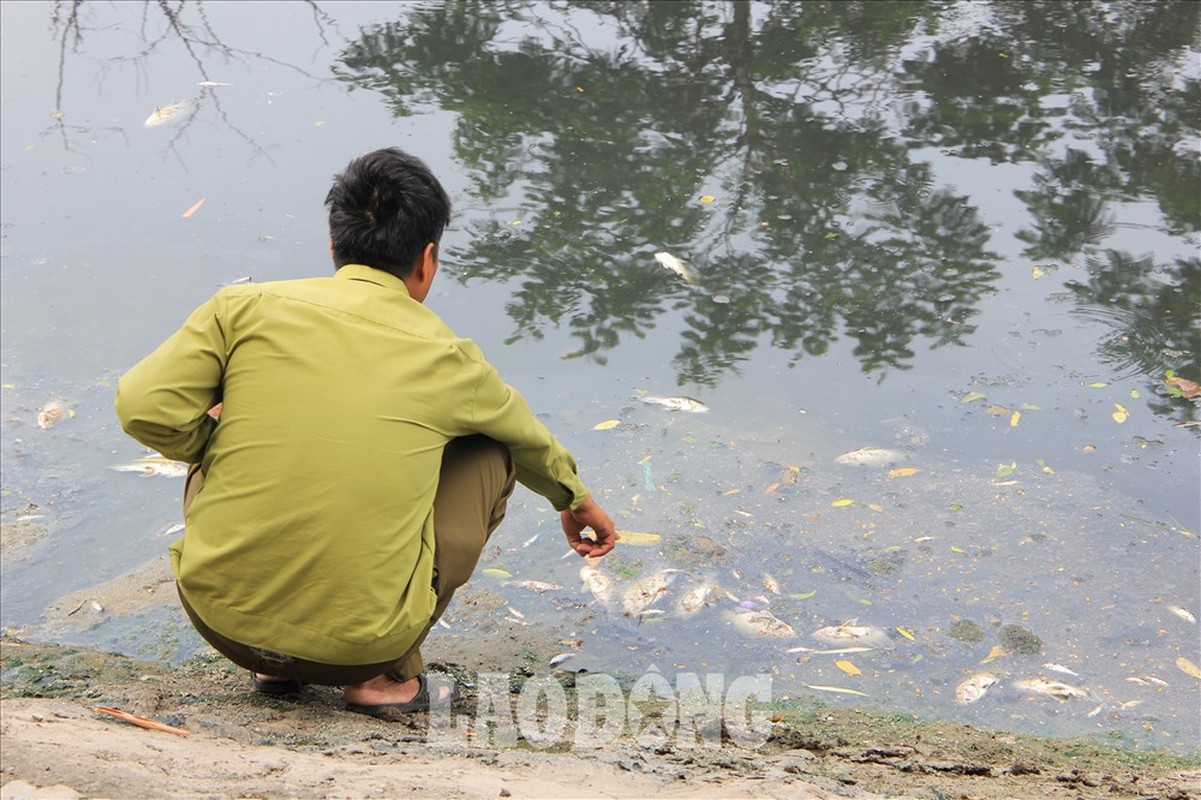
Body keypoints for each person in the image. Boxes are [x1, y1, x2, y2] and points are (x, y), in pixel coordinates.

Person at [115, 147, 618, 719]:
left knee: (217, 417)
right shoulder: (449, 357)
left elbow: (144, 406)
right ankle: (384, 680)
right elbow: (529, 440)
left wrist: (219, 444)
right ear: (427, 260)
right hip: (357, 648)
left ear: (334, 246)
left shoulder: (242, 308)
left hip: (219, 620)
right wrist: (574, 498)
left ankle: (270, 666)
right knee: (491, 450)